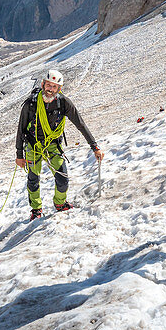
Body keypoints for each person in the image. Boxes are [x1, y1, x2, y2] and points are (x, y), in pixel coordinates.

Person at [15, 69, 104, 221]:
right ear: (43, 84)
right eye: (48, 85)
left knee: (62, 178)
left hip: (52, 145)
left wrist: (94, 146)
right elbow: (21, 128)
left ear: (59, 89)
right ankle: (36, 209)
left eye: (54, 87)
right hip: (33, 144)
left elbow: (80, 124)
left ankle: (60, 203)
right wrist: (19, 155)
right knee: (33, 179)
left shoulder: (63, 103)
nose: (50, 89)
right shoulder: (31, 103)